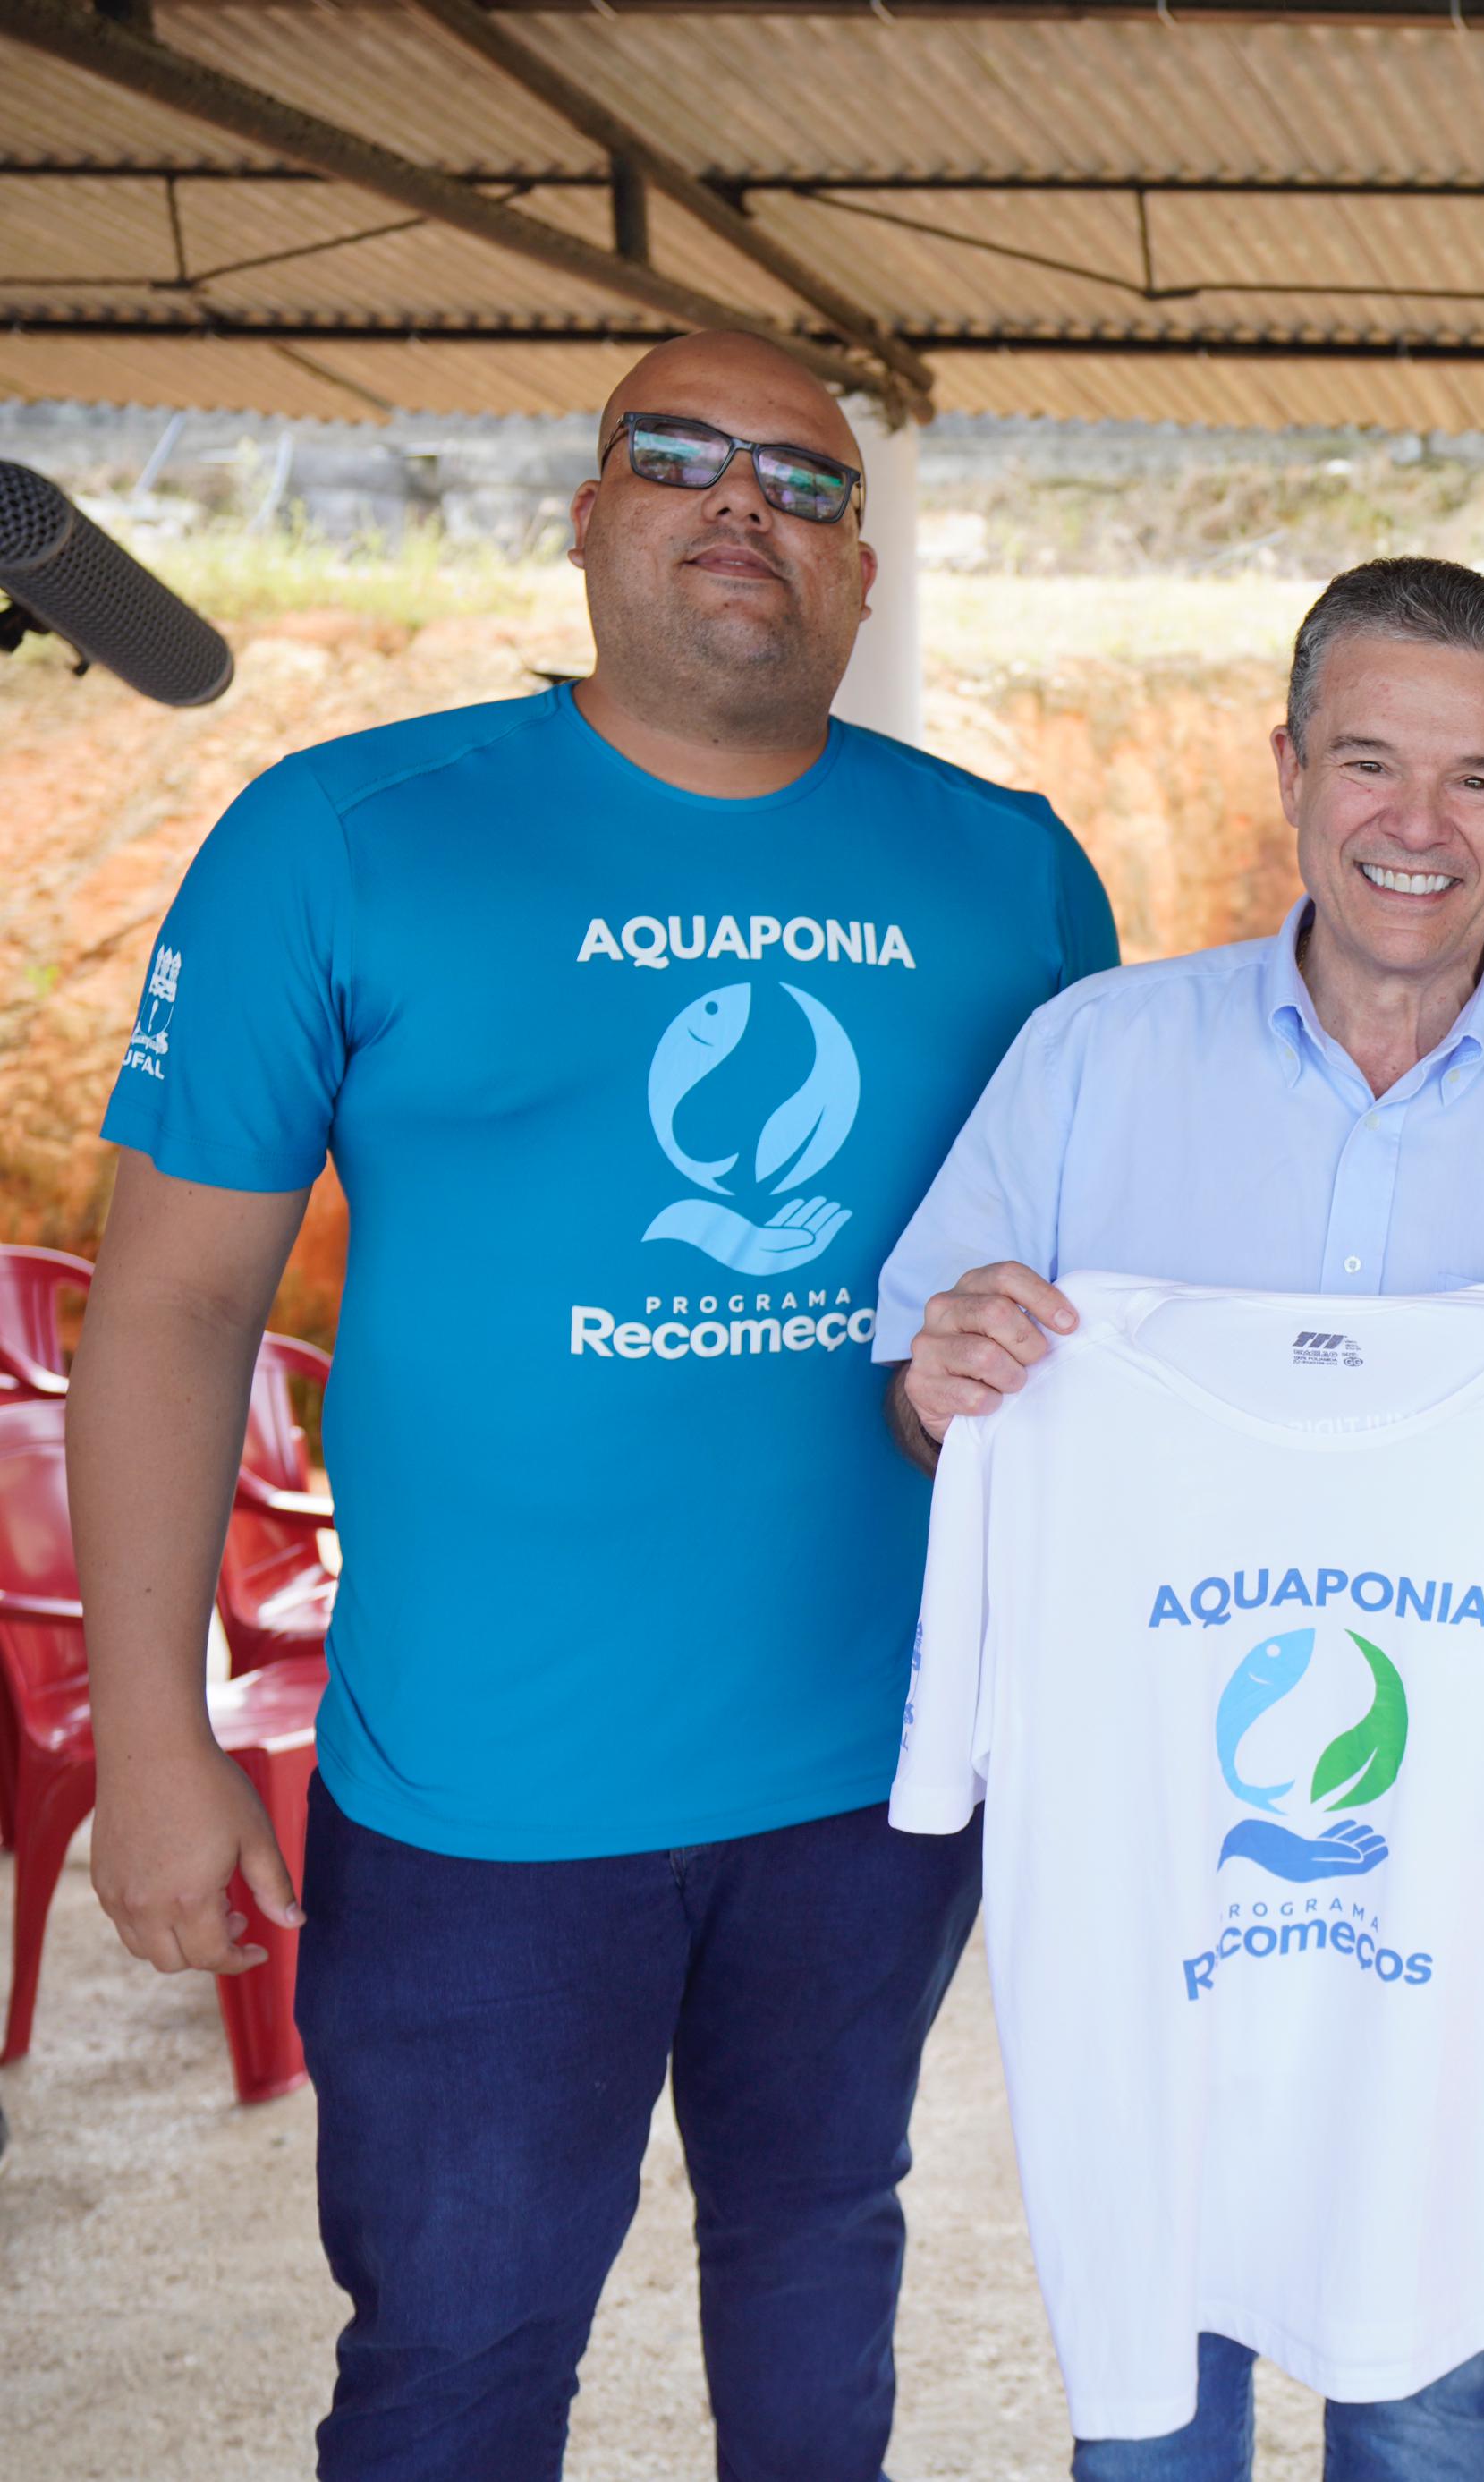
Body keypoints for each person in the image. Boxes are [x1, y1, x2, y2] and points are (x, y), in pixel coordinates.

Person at [70, 330, 1120, 2479]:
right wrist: (156, 1735)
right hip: (482, 1796)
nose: (743, 504)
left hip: (877, 1772)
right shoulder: (342, 840)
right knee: (457, 2355)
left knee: (821, 2275)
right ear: (583, 519)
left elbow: (1097, 1310)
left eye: (806, 482)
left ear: (858, 572)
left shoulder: (1012, 877)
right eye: (678, 456)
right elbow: (171, 1306)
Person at [873, 553, 1484, 2478]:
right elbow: (930, 1411)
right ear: (1286, 768)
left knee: (1421, 2387)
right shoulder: (1092, 1062)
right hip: (1149, 1895)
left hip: (1450, 1906)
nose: (1414, 826)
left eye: (1477, 779)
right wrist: (944, 1396)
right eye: (1367, 762)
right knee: (1153, 2388)